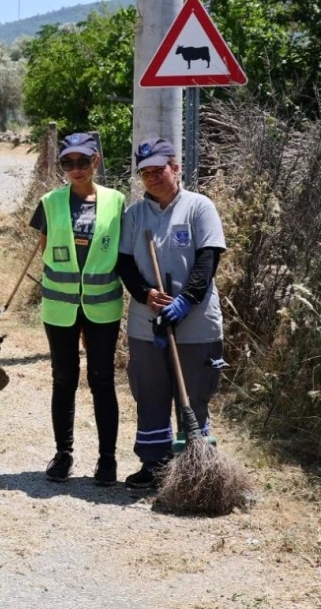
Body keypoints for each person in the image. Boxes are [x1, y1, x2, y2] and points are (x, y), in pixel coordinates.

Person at [116, 138, 227, 489]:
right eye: (145, 172)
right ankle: (154, 464)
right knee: (149, 392)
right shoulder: (135, 215)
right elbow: (124, 263)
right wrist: (145, 293)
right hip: (147, 322)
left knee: (193, 394)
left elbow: (208, 259)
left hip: (196, 323)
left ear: (175, 168)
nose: (152, 177)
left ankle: (194, 468)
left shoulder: (199, 207)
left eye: (158, 169)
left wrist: (185, 301)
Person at [29, 132, 124, 486]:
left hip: (103, 306)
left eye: (83, 161)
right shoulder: (50, 202)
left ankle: (107, 460)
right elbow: (45, 249)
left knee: (102, 380)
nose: (76, 169)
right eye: (68, 163)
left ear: (95, 161)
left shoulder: (117, 201)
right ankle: (63, 454)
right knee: (63, 379)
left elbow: (122, 251)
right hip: (60, 306)